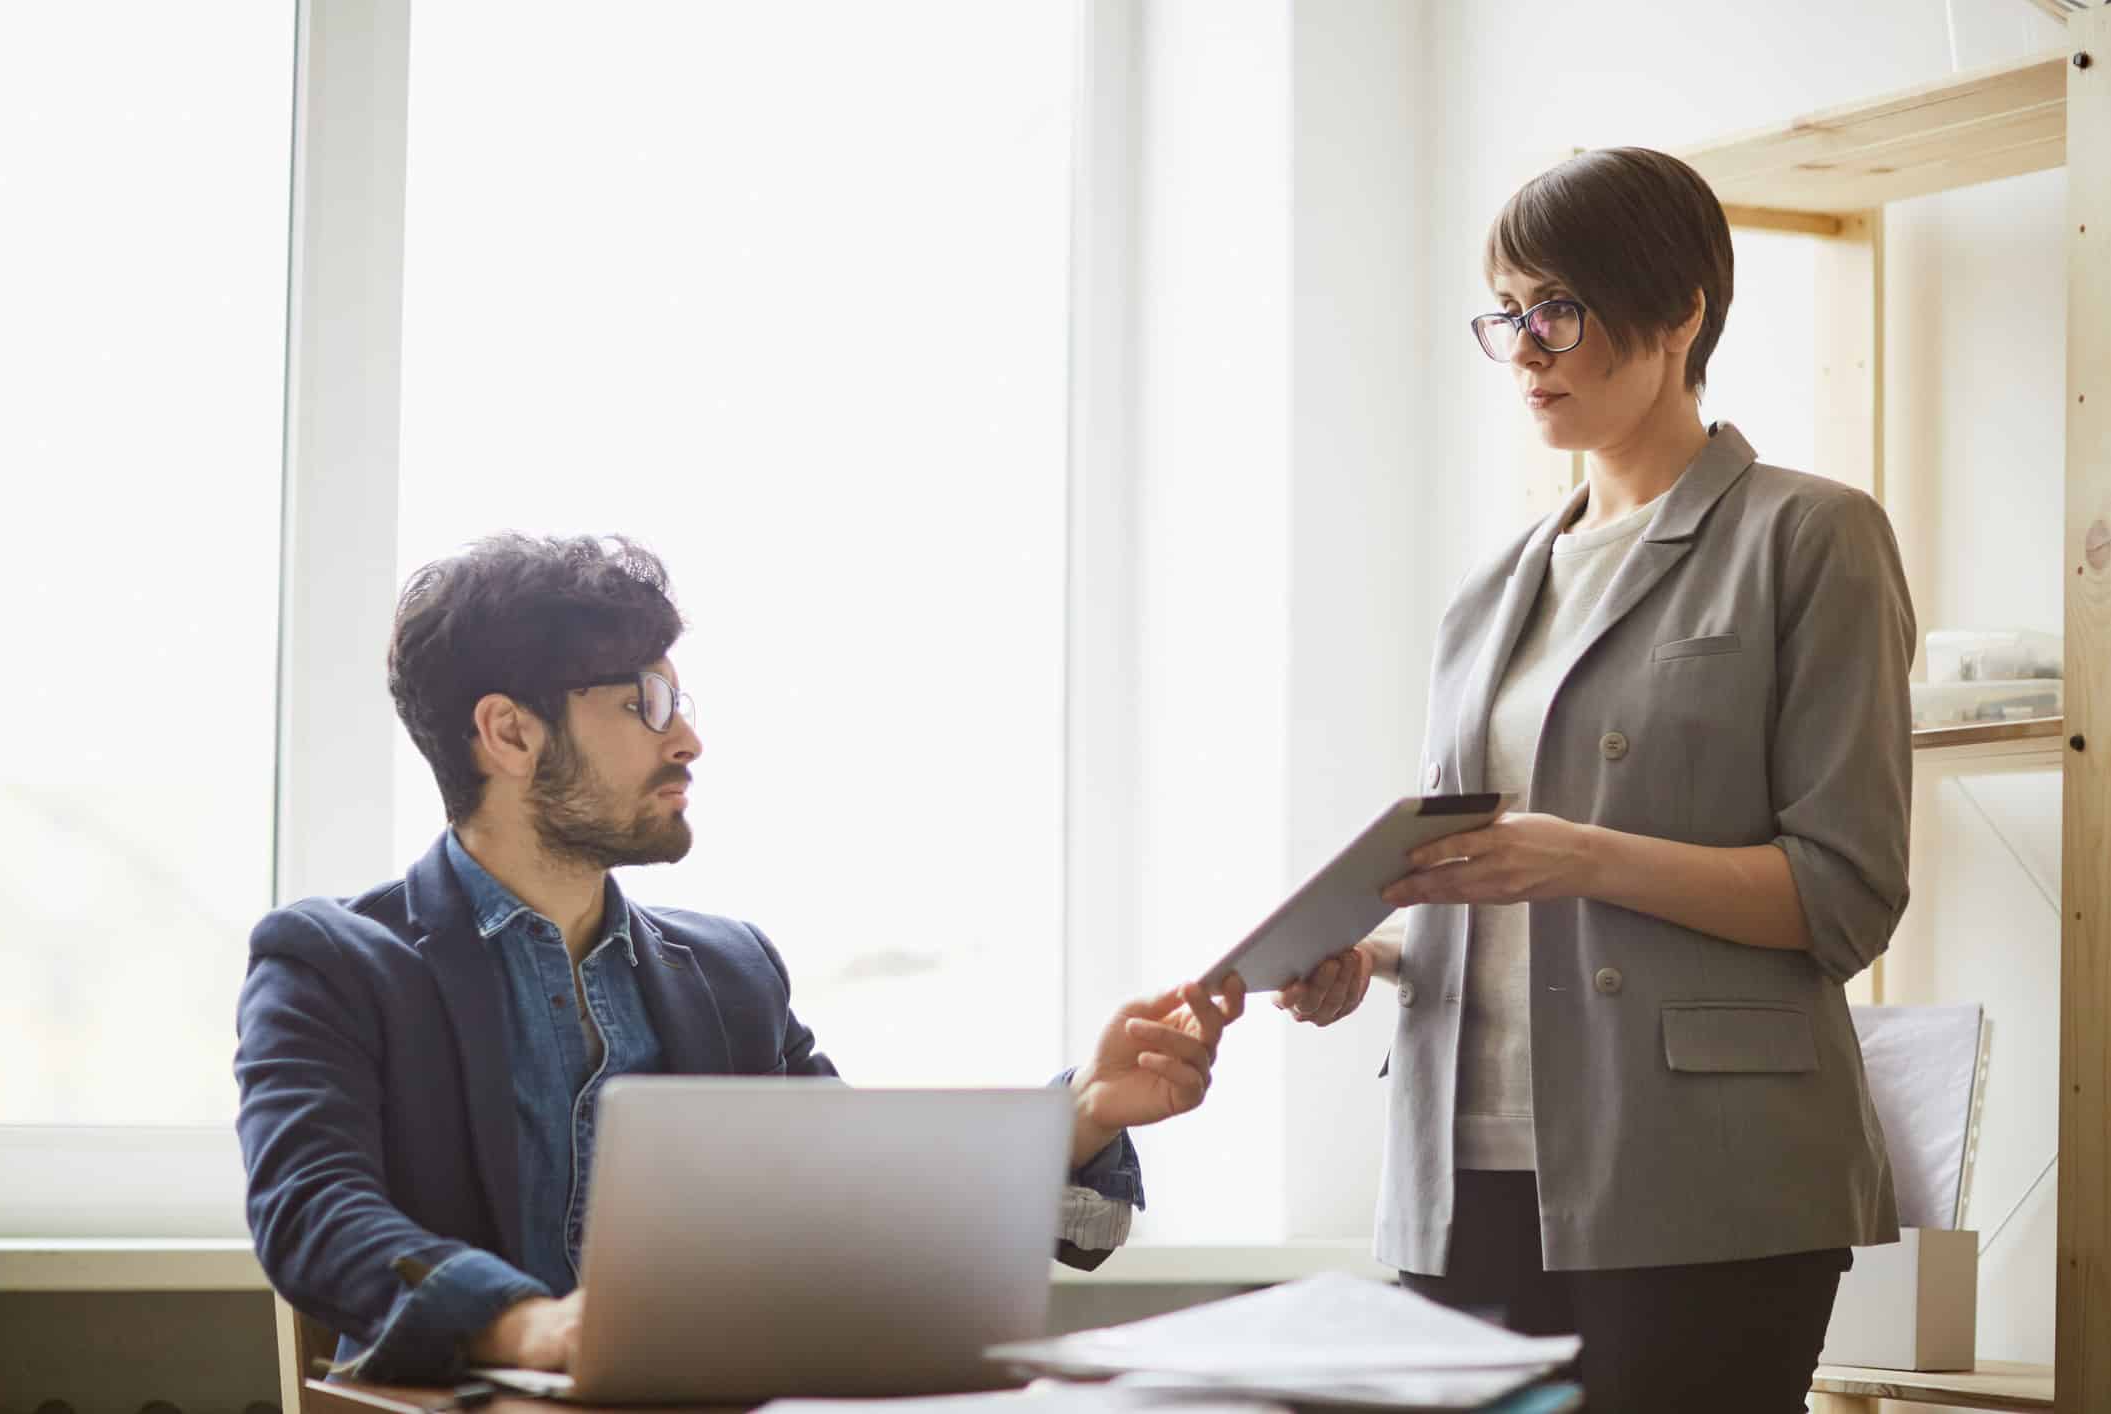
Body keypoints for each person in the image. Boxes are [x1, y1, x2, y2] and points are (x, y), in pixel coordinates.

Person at [235, 534, 1246, 1384]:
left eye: (681, 697)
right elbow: (311, 1210)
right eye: (645, 702)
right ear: (508, 732)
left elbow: (862, 1200)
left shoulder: (728, 972)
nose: (691, 739)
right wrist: (529, 1326)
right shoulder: (333, 963)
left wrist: (1079, 1116)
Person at [1276, 148, 1912, 1413]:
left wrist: (1586, 856)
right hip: (1464, 1171)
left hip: (1705, 1179)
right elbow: (1486, 885)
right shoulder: (1492, 589)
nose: (1526, 346)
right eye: (1506, 313)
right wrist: (1381, 953)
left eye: (1558, 307)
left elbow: (1846, 896)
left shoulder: (1809, 534)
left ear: (1682, 311)